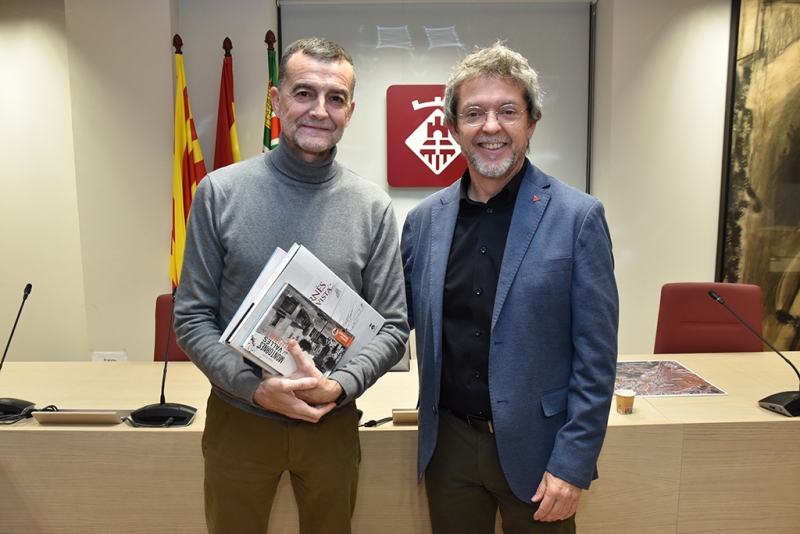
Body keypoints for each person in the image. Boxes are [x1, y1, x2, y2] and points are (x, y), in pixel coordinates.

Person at [174, 37, 409, 534]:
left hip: (333, 423)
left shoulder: (373, 207)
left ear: (350, 111)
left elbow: (392, 327)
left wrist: (340, 387)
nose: (319, 110)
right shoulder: (218, 192)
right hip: (239, 420)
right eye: (304, 93)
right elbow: (191, 317)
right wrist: (253, 390)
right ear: (277, 101)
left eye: (336, 98)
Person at [401, 42, 619, 533]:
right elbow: (395, 322)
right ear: (453, 127)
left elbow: (597, 356)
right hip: (449, 449)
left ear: (531, 124)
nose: (491, 126)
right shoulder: (422, 223)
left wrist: (573, 462)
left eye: (508, 111)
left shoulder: (577, 218)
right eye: (474, 113)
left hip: (541, 452)